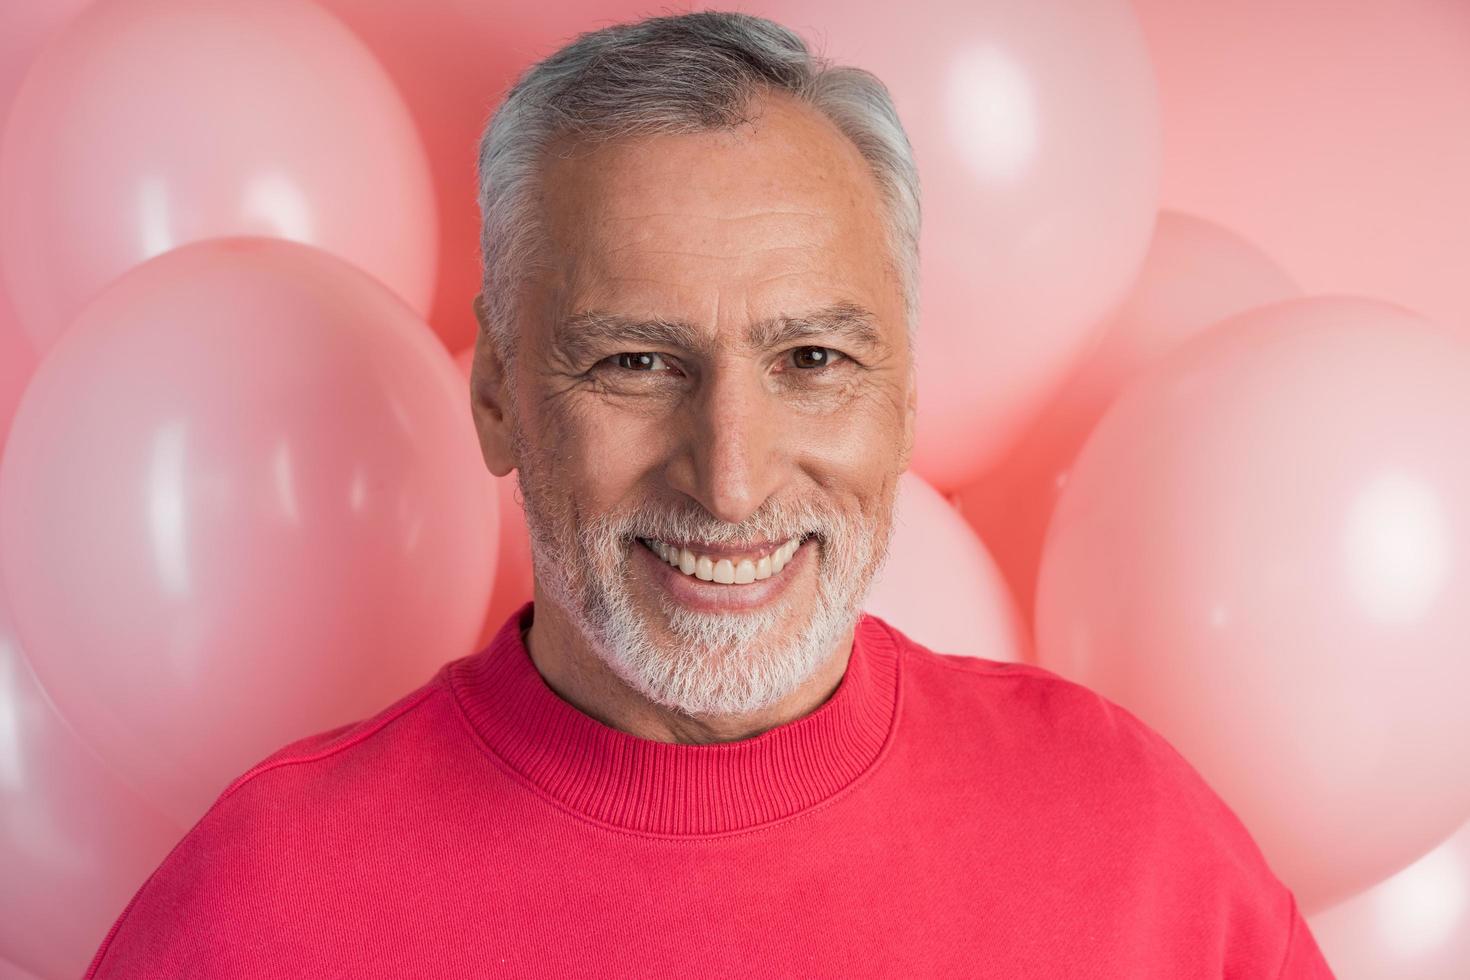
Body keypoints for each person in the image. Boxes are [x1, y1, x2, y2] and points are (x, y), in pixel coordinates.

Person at [86, 11, 1335, 977]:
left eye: (812, 361)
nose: (729, 477)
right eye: (636, 362)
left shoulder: (1130, 841)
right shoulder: (268, 906)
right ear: (500, 398)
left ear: (902, 399)